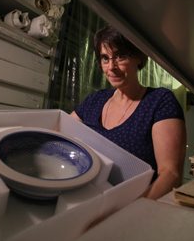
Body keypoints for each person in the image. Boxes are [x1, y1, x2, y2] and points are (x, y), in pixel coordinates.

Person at [71, 25, 187, 200]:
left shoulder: (159, 102)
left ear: (138, 57)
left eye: (120, 56)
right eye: (105, 58)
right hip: (88, 198)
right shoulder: (94, 101)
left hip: (135, 206)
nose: (111, 67)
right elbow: (62, 130)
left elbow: (170, 174)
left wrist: (130, 211)